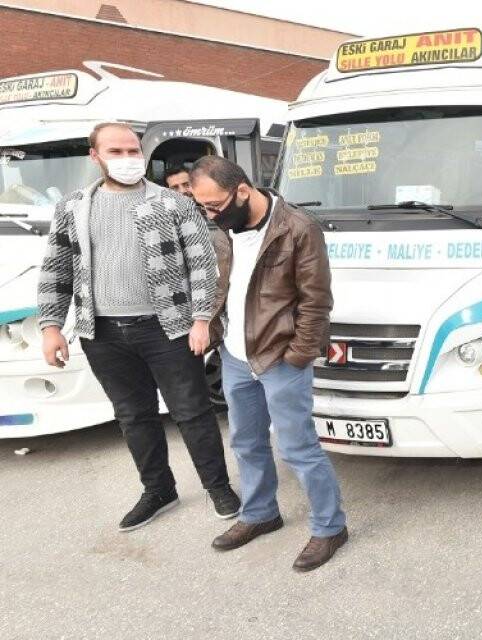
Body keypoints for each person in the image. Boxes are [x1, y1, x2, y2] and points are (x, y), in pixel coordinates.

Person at [37, 123, 240, 531]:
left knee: (192, 413)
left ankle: (217, 486)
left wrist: (201, 319)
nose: (128, 159)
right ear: (95, 156)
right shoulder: (74, 207)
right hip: (103, 334)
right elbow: (56, 267)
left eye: (134, 151)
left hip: (168, 329)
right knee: (133, 416)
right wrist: (50, 325)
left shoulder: (172, 204)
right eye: (117, 151)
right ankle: (158, 488)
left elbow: (204, 264)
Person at [188, 155, 349, 572]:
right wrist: (208, 323)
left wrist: (297, 357)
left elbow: (316, 302)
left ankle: (330, 526)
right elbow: (225, 282)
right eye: (202, 206)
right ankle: (261, 514)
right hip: (237, 357)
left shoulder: (297, 228)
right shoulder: (225, 226)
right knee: (246, 441)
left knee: (298, 448)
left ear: (242, 191)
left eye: (214, 205)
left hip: (279, 358)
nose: (209, 214)